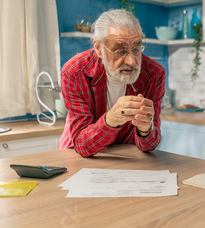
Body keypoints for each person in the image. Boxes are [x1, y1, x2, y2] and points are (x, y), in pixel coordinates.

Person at [59, 9, 165, 157]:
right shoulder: (75, 71)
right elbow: (81, 144)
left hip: (126, 156)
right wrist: (110, 120)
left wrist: (145, 129)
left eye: (136, 49)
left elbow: (149, 145)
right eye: (120, 51)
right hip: (78, 156)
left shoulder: (154, 73)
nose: (132, 61)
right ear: (98, 48)